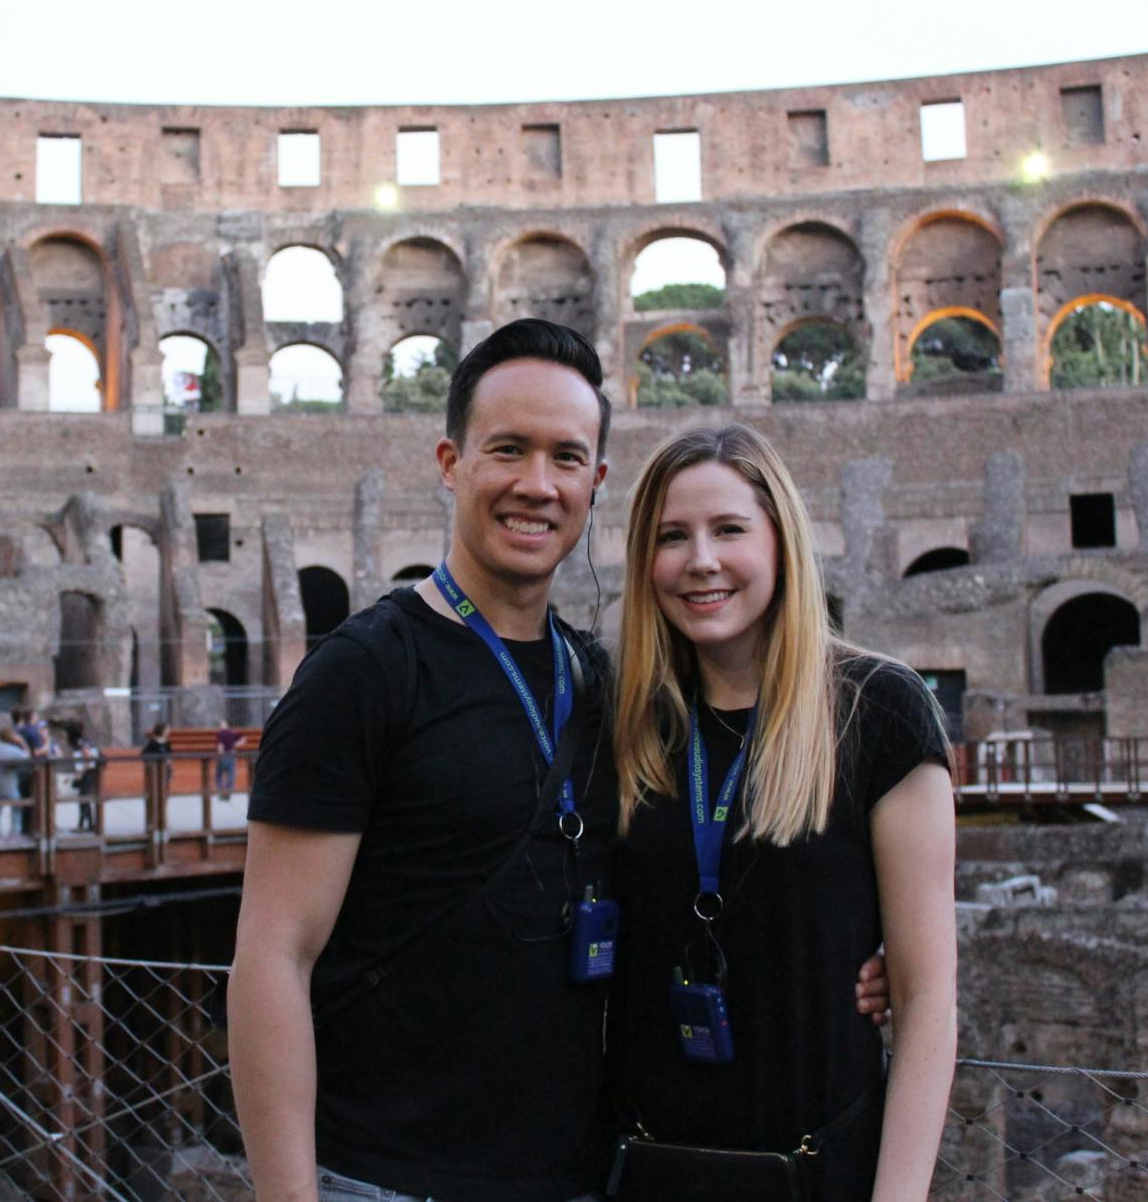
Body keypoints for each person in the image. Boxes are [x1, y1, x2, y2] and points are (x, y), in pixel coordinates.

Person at [229, 319, 889, 1202]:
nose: (536, 485)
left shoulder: (607, 681)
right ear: (451, 461)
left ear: (597, 482)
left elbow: (716, 847)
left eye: (565, 458)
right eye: (508, 449)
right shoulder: (363, 673)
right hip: (385, 1179)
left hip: (580, 1176)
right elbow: (273, 953)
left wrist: (868, 947)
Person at [604, 424, 958, 1201]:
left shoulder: (879, 710)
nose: (701, 559)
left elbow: (929, 995)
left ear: (780, 540)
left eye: (729, 529)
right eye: (672, 536)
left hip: (818, 1169)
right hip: (646, 1171)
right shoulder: (627, 721)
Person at [0, 725, 29, 839]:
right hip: (8, 782)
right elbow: (26, 757)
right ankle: (15, 831)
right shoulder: (12, 750)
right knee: (17, 806)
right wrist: (22, 742)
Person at [13, 709, 50, 836]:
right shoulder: (32, 732)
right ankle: (34, 827)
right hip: (33, 769)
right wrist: (47, 743)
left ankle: (25, 827)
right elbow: (36, 752)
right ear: (33, 717)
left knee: (26, 798)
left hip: (22, 769)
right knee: (35, 797)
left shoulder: (19, 731)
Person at [63, 720, 102, 833]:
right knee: (84, 798)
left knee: (83, 798)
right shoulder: (84, 741)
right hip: (88, 772)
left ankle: (84, 824)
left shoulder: (80, 742)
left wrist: (81, 772)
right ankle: (87, 824)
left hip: (87, 773)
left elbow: (87, 756)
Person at [141, 721, 172, 838]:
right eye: (167, 729)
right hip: (155, 776)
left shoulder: (168, 743)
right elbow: (144, 755)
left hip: (165, 774)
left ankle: (164, 822)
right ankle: (153, 822)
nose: (169, 731)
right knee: (154, 798)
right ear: (162, 730)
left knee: (164, 799)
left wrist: (169, 770)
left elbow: (170, 758)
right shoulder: (152, 743)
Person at [213, 721, 241, 801]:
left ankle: (221, 793)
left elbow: (220, 745)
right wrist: (235, 745)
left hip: (224, 754)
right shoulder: (232, 732)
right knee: (230, 774)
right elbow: (243, 739)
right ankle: (228, 793)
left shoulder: (220, 733)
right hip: (232, 753)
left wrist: (220, 754)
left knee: (219, 774)